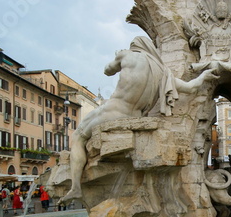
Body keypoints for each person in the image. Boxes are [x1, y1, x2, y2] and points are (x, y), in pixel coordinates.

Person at [58, 36, 219, 205]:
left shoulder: (127, 55)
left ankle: (75, 186)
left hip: (113, 111)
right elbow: (191, 87)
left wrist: (118, 55)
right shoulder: (163, 73)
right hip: (134, 115)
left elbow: (107, 70)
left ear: (135, 46)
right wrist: (205, 75)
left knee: (78, 137)